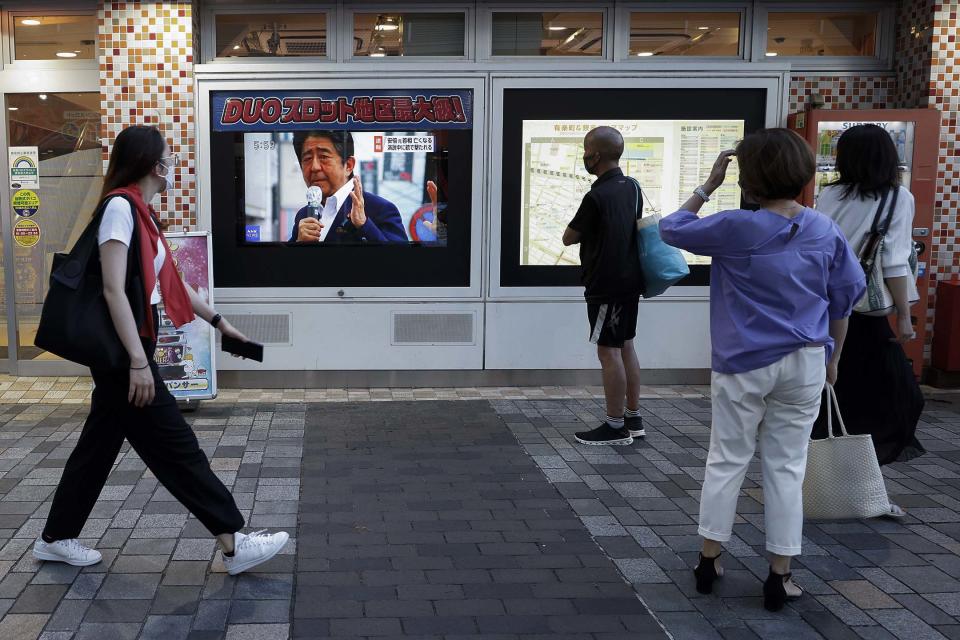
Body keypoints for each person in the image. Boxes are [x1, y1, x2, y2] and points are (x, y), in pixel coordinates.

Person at [34, 125, 289, 575]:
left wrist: (220, 324)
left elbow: (172, 280)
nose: (172, 163)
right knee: (176, 447)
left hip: (128, 348)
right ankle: (233, 543)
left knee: (97, 448)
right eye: (167, 156)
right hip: (123, 352)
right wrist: (137, 362)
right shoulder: (120, 208)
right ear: (153, 163)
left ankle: (56, 537)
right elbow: (113, 290)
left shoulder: (143, 214)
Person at [659, 129, 865, 612]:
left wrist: (709, 184)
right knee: (787, 468)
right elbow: (845, 297)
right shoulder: (823, 228)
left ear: (748, 180)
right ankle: (780, 574)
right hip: (806, 360)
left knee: (726, 459)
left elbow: (671, 228)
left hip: (742, 363)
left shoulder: (736, 226)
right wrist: (832, 359)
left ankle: (709, 561)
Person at [815, 123, 926, 518]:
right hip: (866, 312)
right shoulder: (899, 198)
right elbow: (895, 261)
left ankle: (826, 483)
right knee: (897, 402)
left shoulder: (829, 194)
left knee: (834, 397)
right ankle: (864, 488)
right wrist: (905, 317)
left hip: (825, 309)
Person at [561, 126, 646, 446]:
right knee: (626, 345)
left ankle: (614, 427)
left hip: (606, 284)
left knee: (607, 351)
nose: (584, 156)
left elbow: (569, 237)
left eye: (586, 150)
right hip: (630, 281)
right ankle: (633, 417)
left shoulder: (597, 195)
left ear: (594, 155)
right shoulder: (632, 187)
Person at [288, 130, 407, 243]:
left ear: (349, 165)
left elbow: (403, 261)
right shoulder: (303, 215)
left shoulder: (380, 209)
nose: (314, 167)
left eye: (323, 157)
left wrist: (364, 225)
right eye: (307, 159)